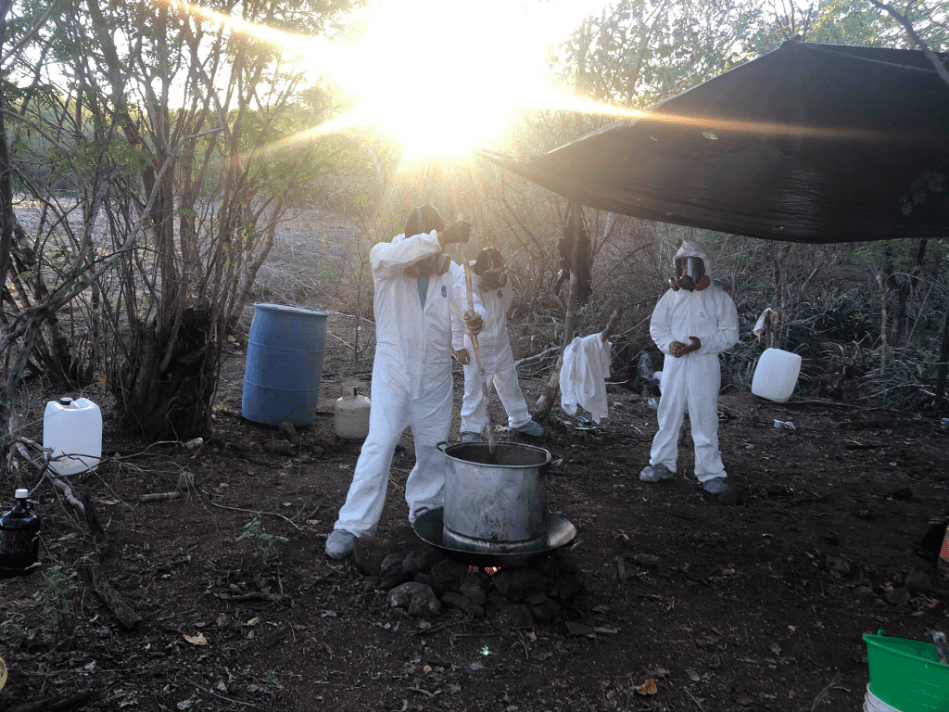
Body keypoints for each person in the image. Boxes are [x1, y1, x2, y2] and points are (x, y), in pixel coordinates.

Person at [325, 205, 484, 559]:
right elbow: (402, 254)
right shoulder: (386, 260)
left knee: (433, 448)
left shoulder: (451, 270)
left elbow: (469, 301)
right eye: (425, 251)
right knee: (379, 445)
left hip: (435, 378)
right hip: (393, 375)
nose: (429, 263)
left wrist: (476, 318)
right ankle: (353, 524)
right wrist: (439, 239)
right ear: (415, 242)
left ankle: (426, 508)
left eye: (436, 255)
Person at [639, 241, 739, 494]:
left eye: (693, 264)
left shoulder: (719, 298)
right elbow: (657, 327)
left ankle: (711, 473)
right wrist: (668, 344)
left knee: (705, 417)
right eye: (683, 264)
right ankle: (662, 464)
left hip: (705, 364)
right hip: (674, 364)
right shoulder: (671, 297)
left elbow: (730, 334)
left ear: (704, 267)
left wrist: (701, 344)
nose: (688, 270)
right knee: (668, 414)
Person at [455, 247, 543, 442]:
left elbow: (506, 303)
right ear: (479, 269)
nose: (495, 279)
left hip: (501, 341)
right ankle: (471, 430)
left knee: (509, 382)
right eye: (491, 275)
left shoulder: (502, 278)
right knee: (476, 388)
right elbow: (456, 315)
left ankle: (520, 420)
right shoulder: (464, 280)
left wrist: (497, 328)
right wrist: (458, 346)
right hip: (477, 343)